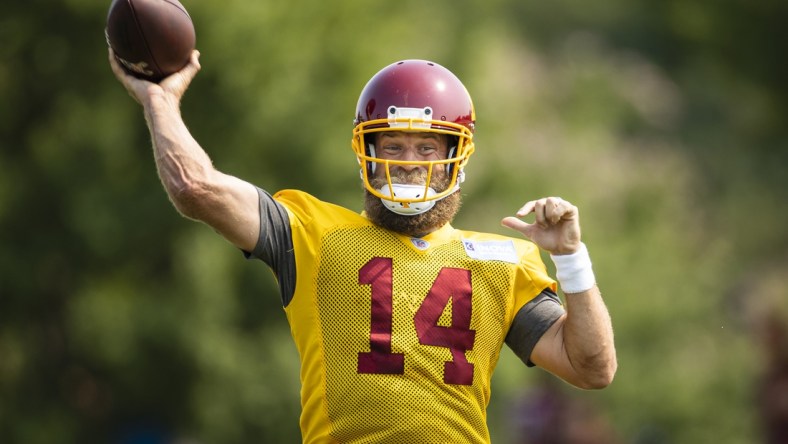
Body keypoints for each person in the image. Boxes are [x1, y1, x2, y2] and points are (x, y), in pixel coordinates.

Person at [109, 49, 617, 443]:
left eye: (425, 147)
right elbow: (195, 187)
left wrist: (570, 257)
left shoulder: (505, 262)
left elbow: (593, 368)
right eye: (392, 146)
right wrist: (160, 100)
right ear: (367, 154)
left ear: (455, 159)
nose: (409, 161)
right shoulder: (313, 233)